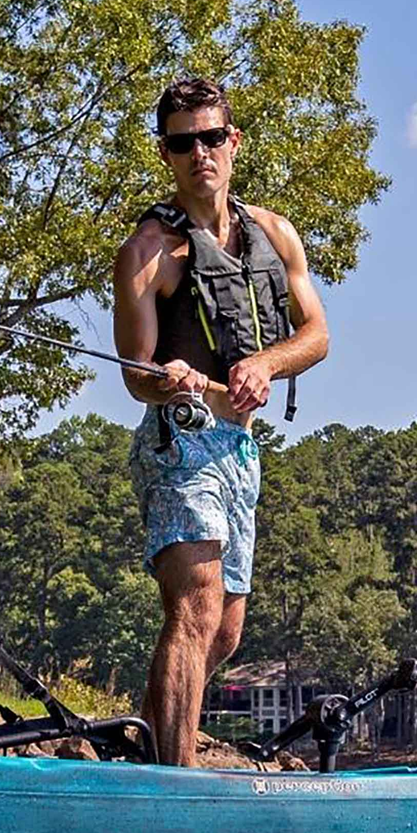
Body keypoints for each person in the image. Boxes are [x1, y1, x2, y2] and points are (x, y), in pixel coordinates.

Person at [112, 77, 329, 766]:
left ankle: (148, 753)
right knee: (196, 604)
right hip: (180, 445)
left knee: (225, 632)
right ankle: (177, 784)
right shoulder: (147, 253)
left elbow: (317, 333)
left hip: (240, 451)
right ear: (166, 154)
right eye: (183, 143)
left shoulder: (275, 233)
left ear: (233, 142)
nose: (199, 152)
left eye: (210, 137)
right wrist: (165, 379)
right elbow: (134, 373)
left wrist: (267, 364)